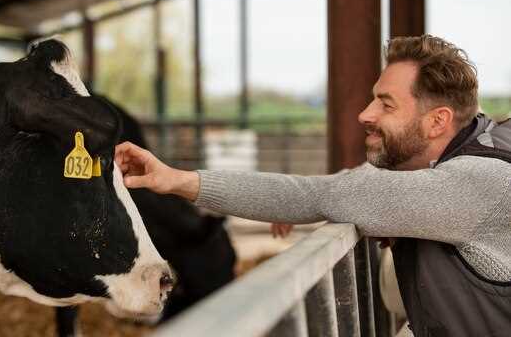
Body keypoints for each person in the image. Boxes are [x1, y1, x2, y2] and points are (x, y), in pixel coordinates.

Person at [114, 35, 511, 337]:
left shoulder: (470, 183)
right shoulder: (473, 152)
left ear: (438, 122)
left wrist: (176, 180)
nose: (364, 114)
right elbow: (349, 191)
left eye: (386, 104)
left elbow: (318, 195)